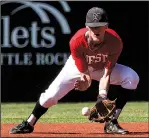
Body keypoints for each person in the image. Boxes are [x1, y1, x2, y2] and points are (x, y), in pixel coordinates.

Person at [10, 7, 139, 134]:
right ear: (86, 27)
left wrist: (102, 97)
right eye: (92, 26)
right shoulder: (76, 41)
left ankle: (111, 122)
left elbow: (106, 74)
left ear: (106, 26)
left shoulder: (115, 42)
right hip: (77, 68)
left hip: (101, 69)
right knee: (49, 97)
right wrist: (85, 84)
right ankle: (29, 123)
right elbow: (86, 75)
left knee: (132, 77)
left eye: (99, 26)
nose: (95, 29)